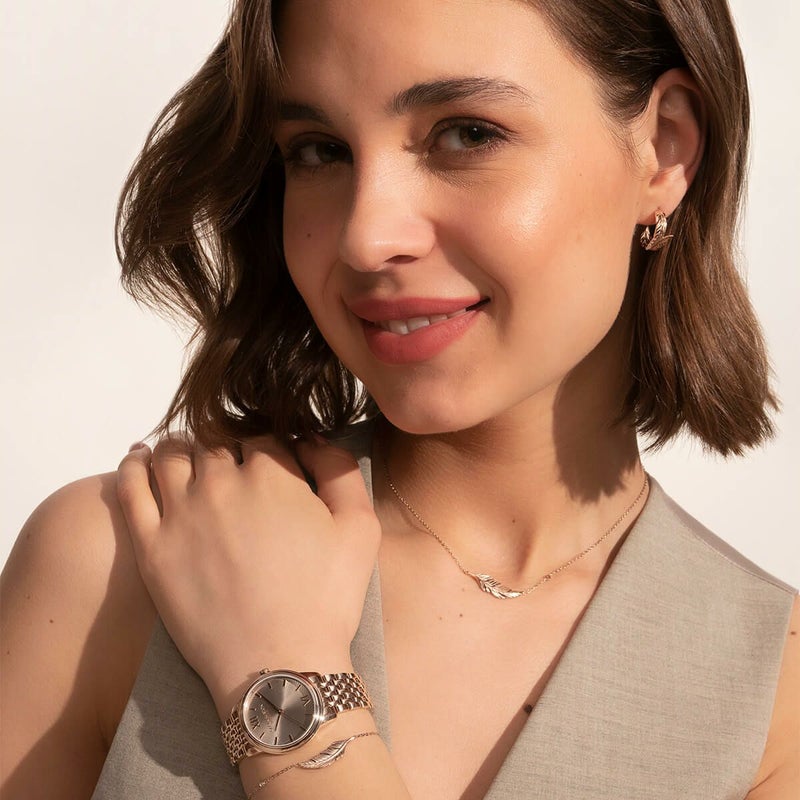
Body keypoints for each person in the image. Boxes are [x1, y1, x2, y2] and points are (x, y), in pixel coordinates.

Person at [1, 0, 797, 798]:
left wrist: (285, 677)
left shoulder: (774, 703)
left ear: (664, 149)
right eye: (320, 150)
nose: (366, 236)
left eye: (467, 135)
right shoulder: (115, 570)